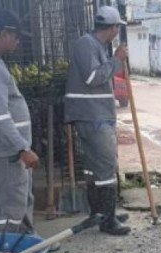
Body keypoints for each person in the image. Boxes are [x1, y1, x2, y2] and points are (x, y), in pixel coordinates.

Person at [64, 6, 130, 235]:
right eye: (117, 28)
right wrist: (117, 60)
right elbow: (93, 77)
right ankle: (107, 220)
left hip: (97, 114)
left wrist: (113, 60)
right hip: (91, 116)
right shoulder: (87, 44)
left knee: (95, 168)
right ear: (112, 28)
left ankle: (100, 213)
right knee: (105, 167)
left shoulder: (98, 46)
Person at [0, 9, 38, 234]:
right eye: (16, 37)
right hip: (2, 151)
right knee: (4, 207)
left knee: (15, 200)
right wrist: (21, 148)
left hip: (3, 150)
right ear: (4, 34)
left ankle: (21, 244)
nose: (18, 42)